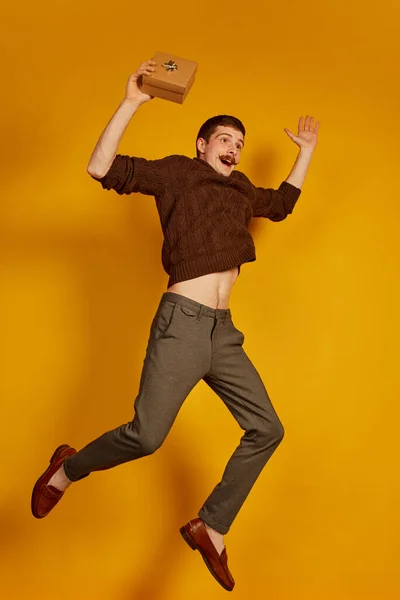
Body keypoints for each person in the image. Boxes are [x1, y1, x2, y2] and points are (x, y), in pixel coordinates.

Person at [31, 59, 320, 591]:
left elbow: (280, 206)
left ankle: (211, 526)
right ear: (201, 144)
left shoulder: (241, 189)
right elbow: (102, 169)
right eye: (224, 140)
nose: (233, 148)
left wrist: (304, 155)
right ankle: (67, 469)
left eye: (239, 141)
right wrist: (133, 102)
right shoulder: (178, 173)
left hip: (223, 333)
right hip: (182, 323)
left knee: (267, 430)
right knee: (146, 437)